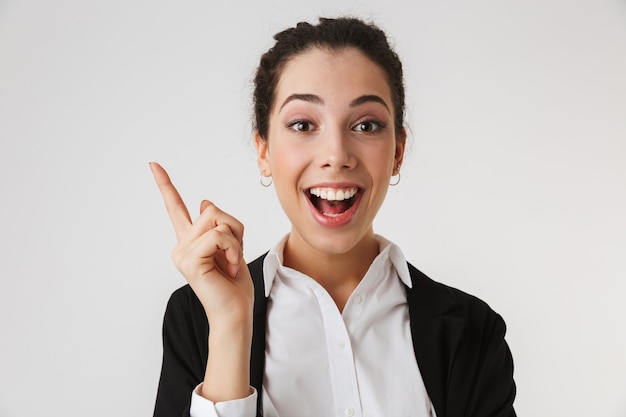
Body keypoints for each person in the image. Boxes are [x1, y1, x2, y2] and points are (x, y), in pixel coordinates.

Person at [150, 17, 516, 417]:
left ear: (397, 152)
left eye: (366, 125)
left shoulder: (473, 331)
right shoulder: (197, 318)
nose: (337, 154)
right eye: (303, 124)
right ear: (263, 150)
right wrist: (230, 328)